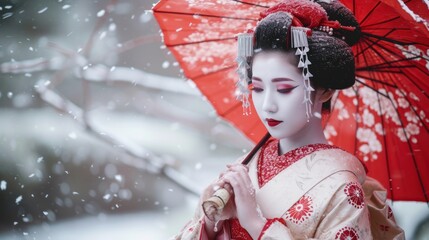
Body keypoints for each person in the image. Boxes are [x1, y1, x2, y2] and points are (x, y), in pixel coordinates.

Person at [172, 0, 404, 239]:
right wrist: (211, 223)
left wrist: (256, 224)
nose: (268, 105)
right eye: (258, 88)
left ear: (325, 91)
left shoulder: (342, 188)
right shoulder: (246, 167)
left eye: (284, 89)